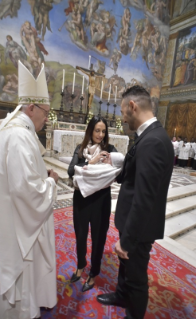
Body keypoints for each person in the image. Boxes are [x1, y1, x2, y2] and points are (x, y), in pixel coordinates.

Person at [0, 61, 58, 319]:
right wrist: (50, 183)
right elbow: (29, 192)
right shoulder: (18, 136)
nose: (47, 119)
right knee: (19, 290)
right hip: (17, 228)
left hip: (10, 217)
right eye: (46, 113)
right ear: (31, 107)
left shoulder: (13, 130)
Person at [97, 86, 174, 319]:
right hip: (132, 222)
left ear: (133, 106)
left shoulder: (153, 142)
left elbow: (145, 197)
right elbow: (134, 175)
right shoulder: (148, 136)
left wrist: (127, 240)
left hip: (139, 228)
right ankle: (121, 294)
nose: (121, 117)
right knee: (125, 267)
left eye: (122, 111)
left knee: (137, 277)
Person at [68, 116, 117, 292]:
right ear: (90, 130)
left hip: (101, 201)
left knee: (99, 238)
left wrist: (112, 162)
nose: (100, 134)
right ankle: (81, 265)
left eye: (103, 131)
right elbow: (70, 171)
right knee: (80, 235)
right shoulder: (81, 149)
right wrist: (91, 162)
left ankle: (93, 272)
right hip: (81, 199)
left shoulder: (110, 149)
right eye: (97, 130)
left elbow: (120, 171)